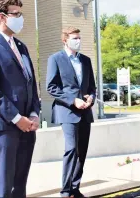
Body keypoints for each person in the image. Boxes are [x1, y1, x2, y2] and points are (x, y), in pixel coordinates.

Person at [0, 0, 40, 197]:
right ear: (2, 16)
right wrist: (16, 118)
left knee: (19, 183)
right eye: (16, 14)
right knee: (4, 183)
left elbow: (31, 83)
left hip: (27, 125)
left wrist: (34, 113)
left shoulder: (21, 46)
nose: (21, 18)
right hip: (4, 126)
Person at [46, 27, 96, 197]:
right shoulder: (55, 59)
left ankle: (75, 188)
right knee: (71, 149)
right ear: (65, 40)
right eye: (75, 38)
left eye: (80, 38)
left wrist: (91, 98)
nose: (78, 41)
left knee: (82, 151)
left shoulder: (86, 60)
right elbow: (51, 87)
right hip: (67, 111)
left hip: (85, 112)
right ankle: (65, 191)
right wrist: (72, 100)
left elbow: (92, 87)